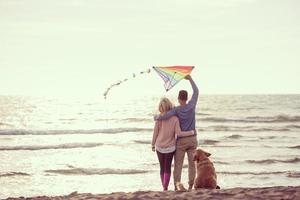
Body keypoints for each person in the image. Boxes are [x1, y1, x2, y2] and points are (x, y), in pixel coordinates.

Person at [155, 75, 198, 191]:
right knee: (192, 164)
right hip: (193, 139)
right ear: (187, 98)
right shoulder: (192, 105)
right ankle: (190, 185)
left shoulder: (176, 110)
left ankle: (176, 186)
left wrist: (157, 117)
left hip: (181, 141)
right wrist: (190, 79)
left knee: (178, 165)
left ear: (179, 99)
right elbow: (196, 91)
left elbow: (166, 115)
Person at [151, 97, 195, 191]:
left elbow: (155, 132)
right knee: (167, 168)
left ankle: (164, 187)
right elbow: (179, 133)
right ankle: (165, 187)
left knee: (162, 168)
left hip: (159, 146)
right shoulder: (175, 118)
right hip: (170, 147)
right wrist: (191, 132)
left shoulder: (159, 118)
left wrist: (152, 144)